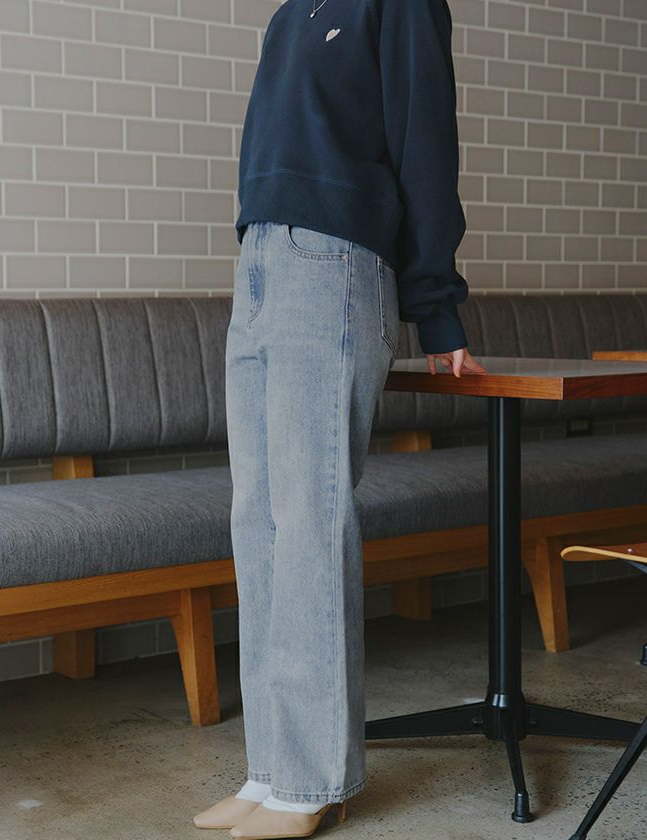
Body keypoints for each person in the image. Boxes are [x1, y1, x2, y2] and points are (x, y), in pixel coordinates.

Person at [193, 0, 485, 837]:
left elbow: (426, 141)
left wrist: (437, 309)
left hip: (333, 262)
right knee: (258, 521)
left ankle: (313, 779)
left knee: (309, 520)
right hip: (260, 260)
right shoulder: (292, 13)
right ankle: (271, 767)